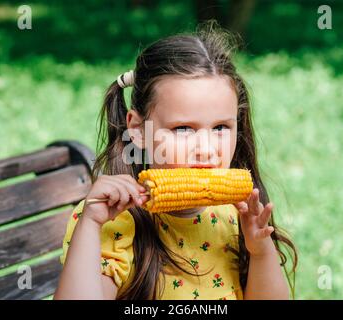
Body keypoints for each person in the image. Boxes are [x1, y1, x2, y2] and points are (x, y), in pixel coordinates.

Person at [54, 21, 297, 300]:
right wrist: (90, 226)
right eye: (183, 129)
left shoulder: (233, 215)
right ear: (138, 129)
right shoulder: (115, 222)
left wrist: (260, 250)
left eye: (221, 128)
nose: (206, 149)